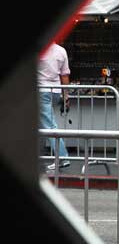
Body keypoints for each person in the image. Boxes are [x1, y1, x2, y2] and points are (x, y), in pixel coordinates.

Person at [38, 41, 71, 170]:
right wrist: (66, 97)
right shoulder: (61, 50)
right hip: (55, 91)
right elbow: (65, 75)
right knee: (44, 123)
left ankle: (63, 157)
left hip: (41, 91)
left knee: (49, 125)